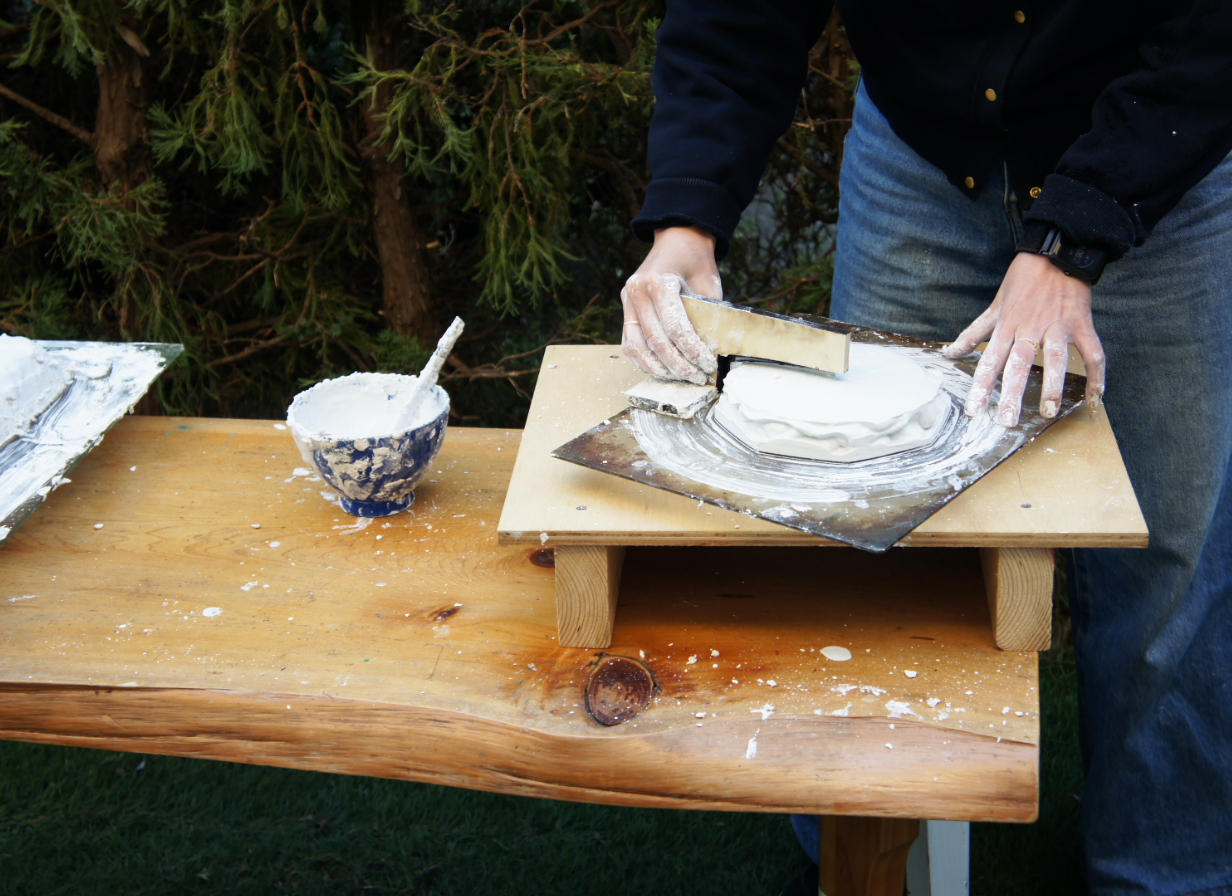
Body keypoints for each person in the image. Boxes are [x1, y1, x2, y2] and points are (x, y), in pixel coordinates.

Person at [620, 2, 1232, 893]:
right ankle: (859, 861)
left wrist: (1078, 230)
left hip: (1155, 147)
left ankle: (1168, 873)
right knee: (863, 534)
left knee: (1168, 561)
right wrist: (686, 215)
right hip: (922, 153)